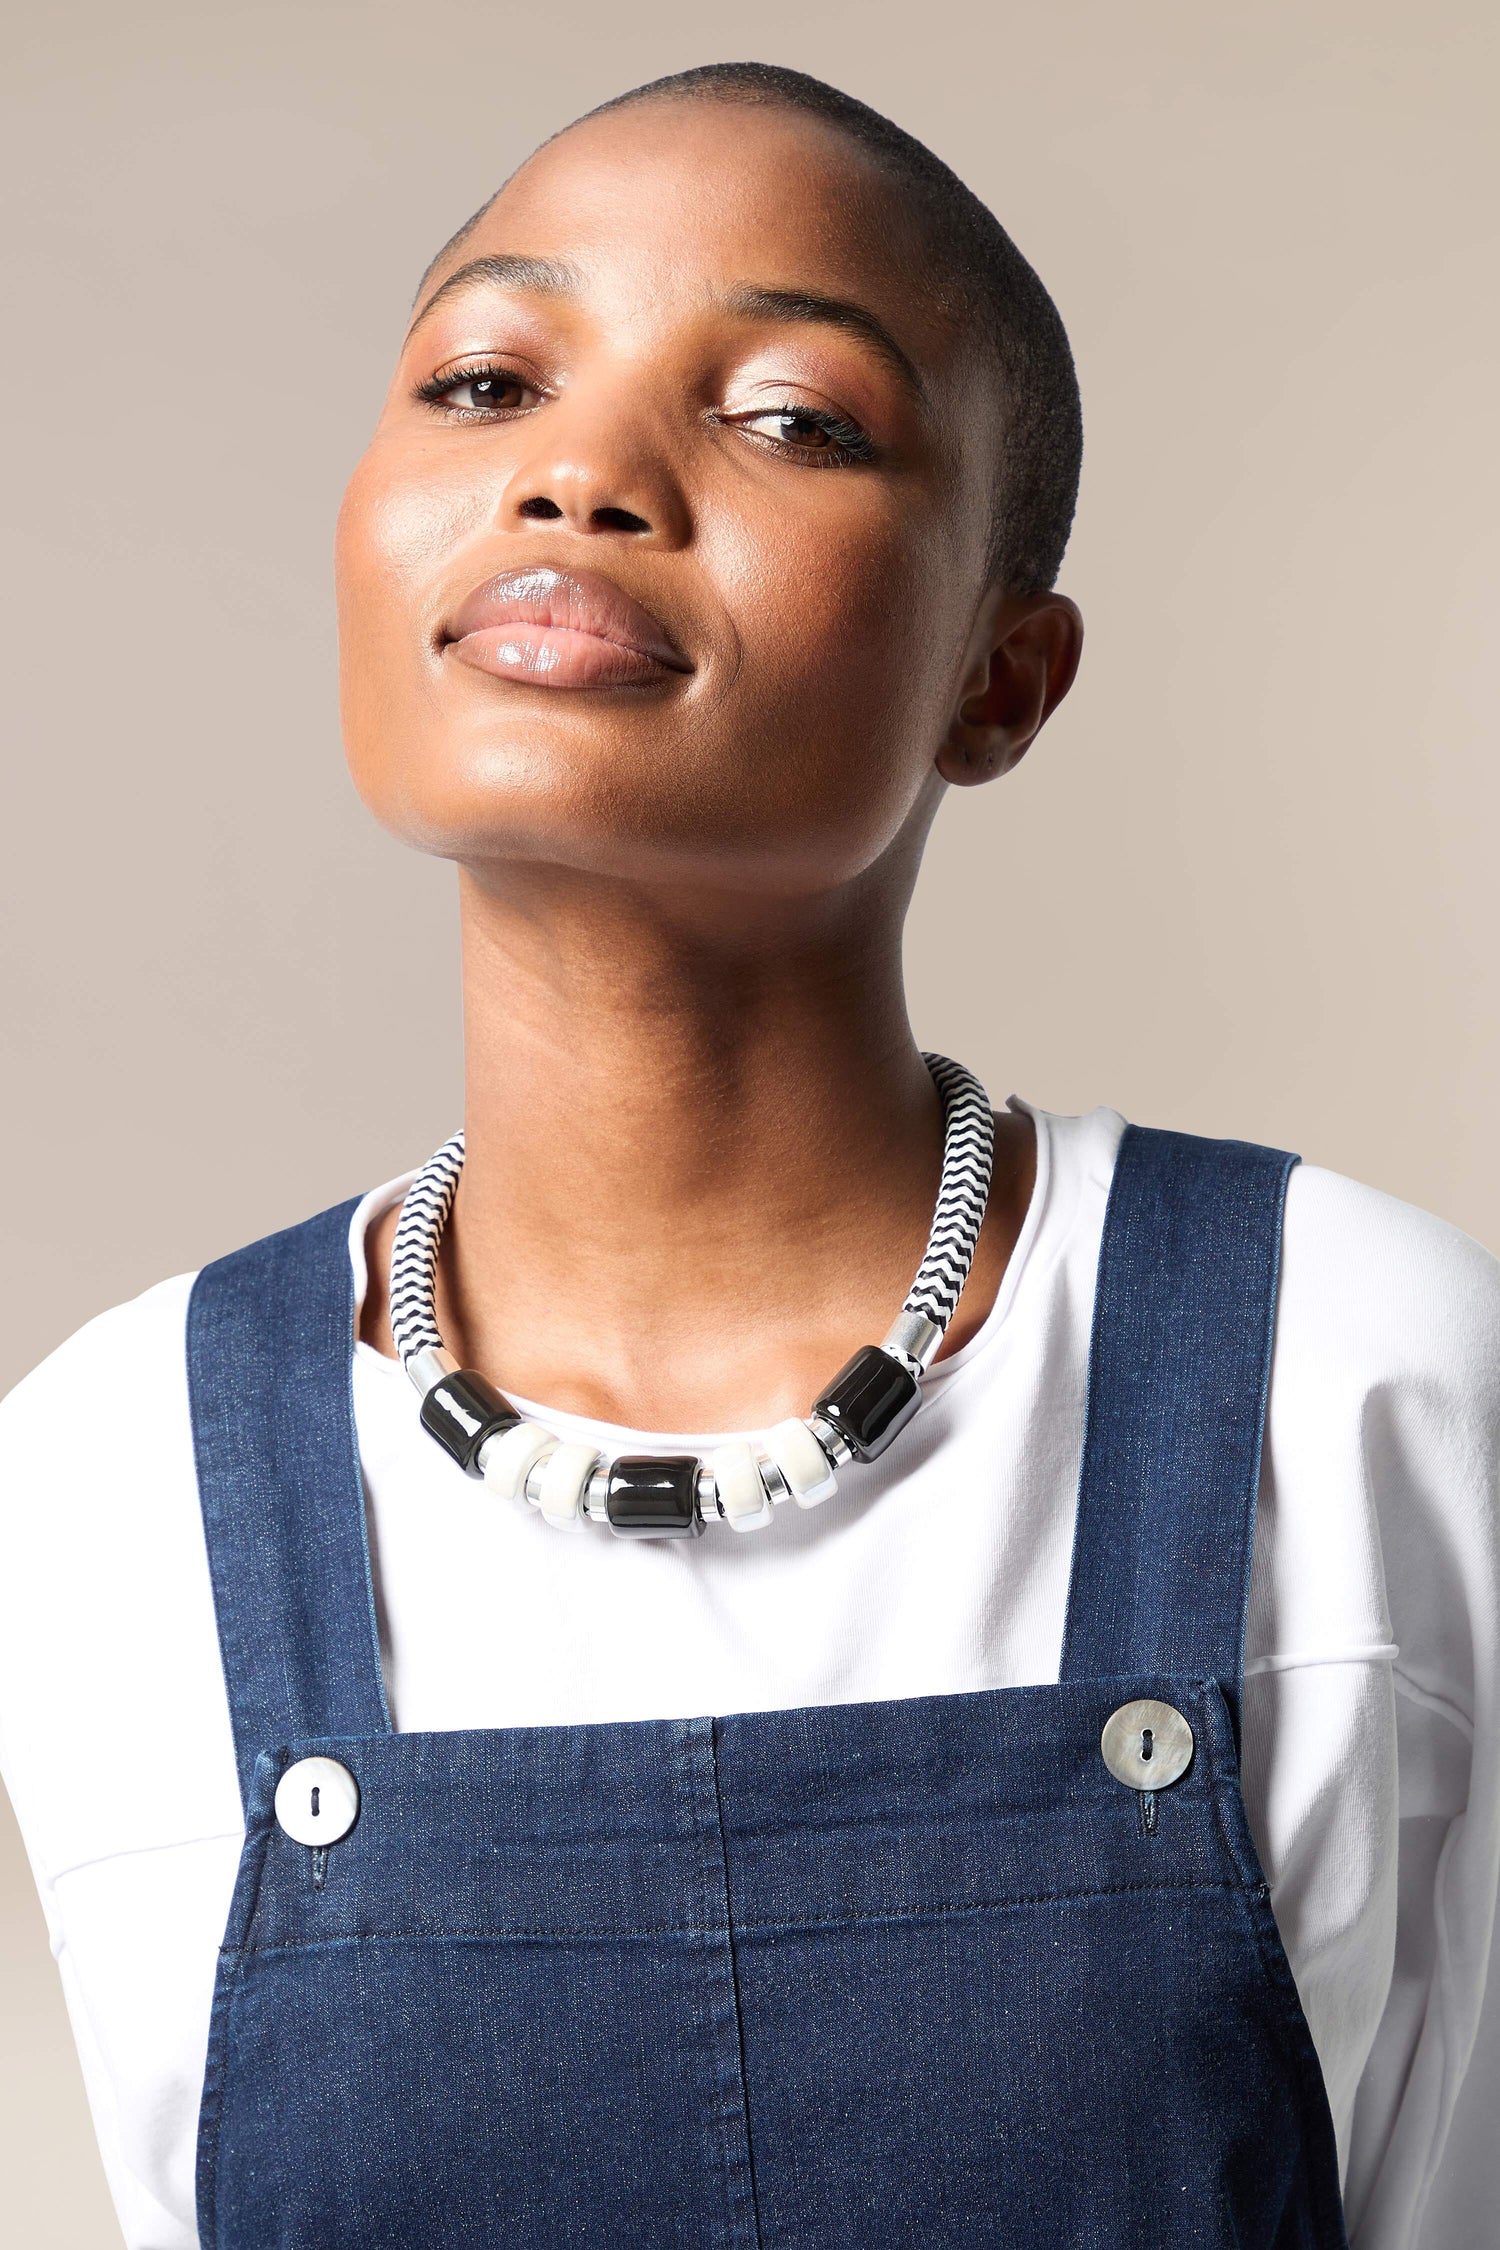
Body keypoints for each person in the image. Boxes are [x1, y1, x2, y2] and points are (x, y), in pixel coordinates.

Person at [0, 59, 1497, 2250]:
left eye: (791, 417)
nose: (581, 475)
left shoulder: (1361, 1381)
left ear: (1005, 677)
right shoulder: (101, 1484)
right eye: (486, 378)